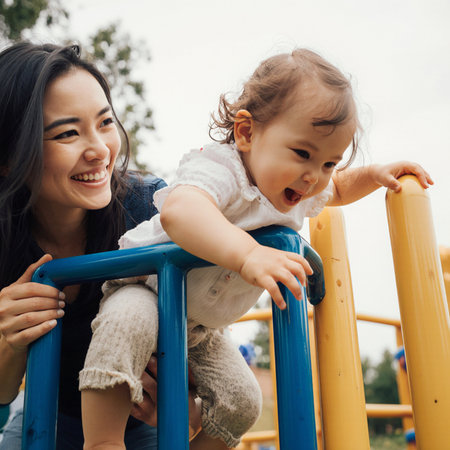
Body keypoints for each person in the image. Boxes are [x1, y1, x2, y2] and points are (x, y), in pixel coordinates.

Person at [80, 48, 433, 449]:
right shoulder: (221, 168)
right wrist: (247, 254)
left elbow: (337, 189)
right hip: (147, 288)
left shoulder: (301, 188)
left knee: (242, 399)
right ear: (246, 133)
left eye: (329, 162)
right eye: (303, 153)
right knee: (124, 325)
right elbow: (181, 210)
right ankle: (103, 441)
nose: (314, 176)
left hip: (199, 328)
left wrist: (375, 173)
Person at [0, 41, 203, 450]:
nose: (100, 151)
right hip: (46, 416)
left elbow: (205, 346)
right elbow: (3, 393)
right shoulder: (6, 236)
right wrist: (7, 339)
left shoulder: (151, 211)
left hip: (139, 424)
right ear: (9, 158)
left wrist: (190, 410)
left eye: (105, 122)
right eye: (68, 133)